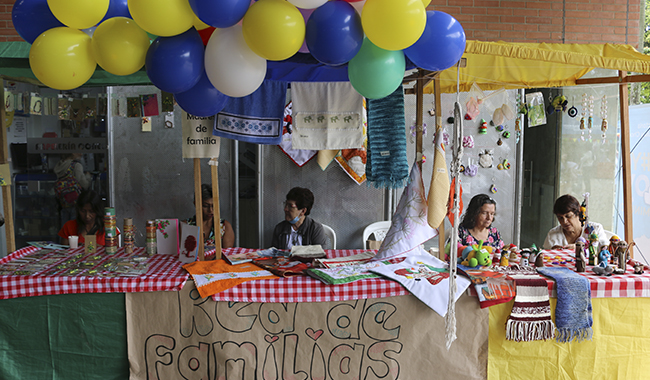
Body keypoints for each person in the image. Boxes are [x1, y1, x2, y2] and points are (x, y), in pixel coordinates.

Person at [543, 194, 608, 250]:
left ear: (578, 213)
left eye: (568, 216)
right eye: (560, 218)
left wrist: (579, 248)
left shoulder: (595, 229)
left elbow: (605, 251)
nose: (564, 221)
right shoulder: (553, 234)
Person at [185, 184, 235, 249]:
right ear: (196, 204)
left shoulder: (225, 227)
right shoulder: (186, 226)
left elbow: (227, 253)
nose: (210, 210)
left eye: (214, 206)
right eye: (205, 206)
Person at [54, 153, 92, 227]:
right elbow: (85, 184)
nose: (81, 154)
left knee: (64, 229)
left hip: (64, 203)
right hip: (75, 202)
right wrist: (88, 176)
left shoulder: (59, 166)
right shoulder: (76, 166)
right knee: (75, 229)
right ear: (73, 153)